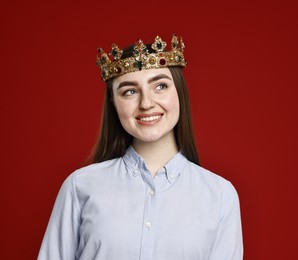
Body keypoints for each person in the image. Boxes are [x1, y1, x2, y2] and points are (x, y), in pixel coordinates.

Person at [38, 34, 243, 260]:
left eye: (160, 86)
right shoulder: (80, 187)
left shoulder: (220, 195)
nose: (146, 103)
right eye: (130, 91)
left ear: (180, 94)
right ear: (114, 104)